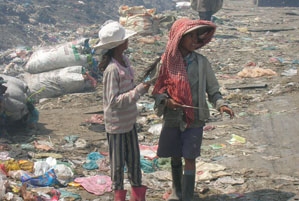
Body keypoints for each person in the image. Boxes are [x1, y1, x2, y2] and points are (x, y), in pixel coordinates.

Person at [150, 18, 234, 201]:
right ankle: (176, 191)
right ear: (179, 38)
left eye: (197, 37)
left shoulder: (202, 62)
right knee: (175, 156)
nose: (195, 41)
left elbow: (213, 90)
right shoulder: (165, 62)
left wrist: (221, 105)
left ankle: (187, 196)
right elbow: (155, 90)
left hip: (195, 118)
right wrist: (167, 101)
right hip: (173, 117)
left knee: (190, 157)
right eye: (191, 36)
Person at [96, 20, 150, 201]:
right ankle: (118, 195)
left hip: (129, 122)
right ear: (119, 44)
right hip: (117, 125)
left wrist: (138, 89)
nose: (128, 41)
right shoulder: (112, 70)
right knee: (118, 165)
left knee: (134, 162)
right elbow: (113, 101)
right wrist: (139, 91)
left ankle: (137, 195)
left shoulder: (125, 61)